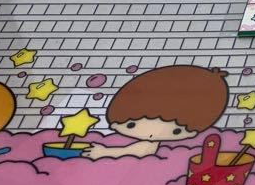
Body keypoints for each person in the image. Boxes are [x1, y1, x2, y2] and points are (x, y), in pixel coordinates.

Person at [85, 65, 229, 159]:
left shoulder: (151, 146)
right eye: (131, 125)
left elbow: (137, 152)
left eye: (176, 131)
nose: (152, 134)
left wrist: (104, 152)